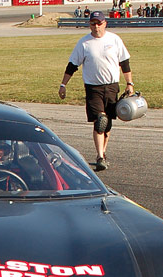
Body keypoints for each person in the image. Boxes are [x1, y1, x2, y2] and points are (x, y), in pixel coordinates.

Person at [57, 10, 134, 171]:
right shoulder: (84, 43)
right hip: (93, 88)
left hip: (112, 86)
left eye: (99, 23)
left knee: (107, 124)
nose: (96, 26)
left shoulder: (114, 39)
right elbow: (72, 65)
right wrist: (63, 85)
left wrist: (129, 83)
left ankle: (103, 152)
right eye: (93, 23)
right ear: (89, 24)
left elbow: (125, 63)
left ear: (105, 23)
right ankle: (99, 156)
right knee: (100, 121)